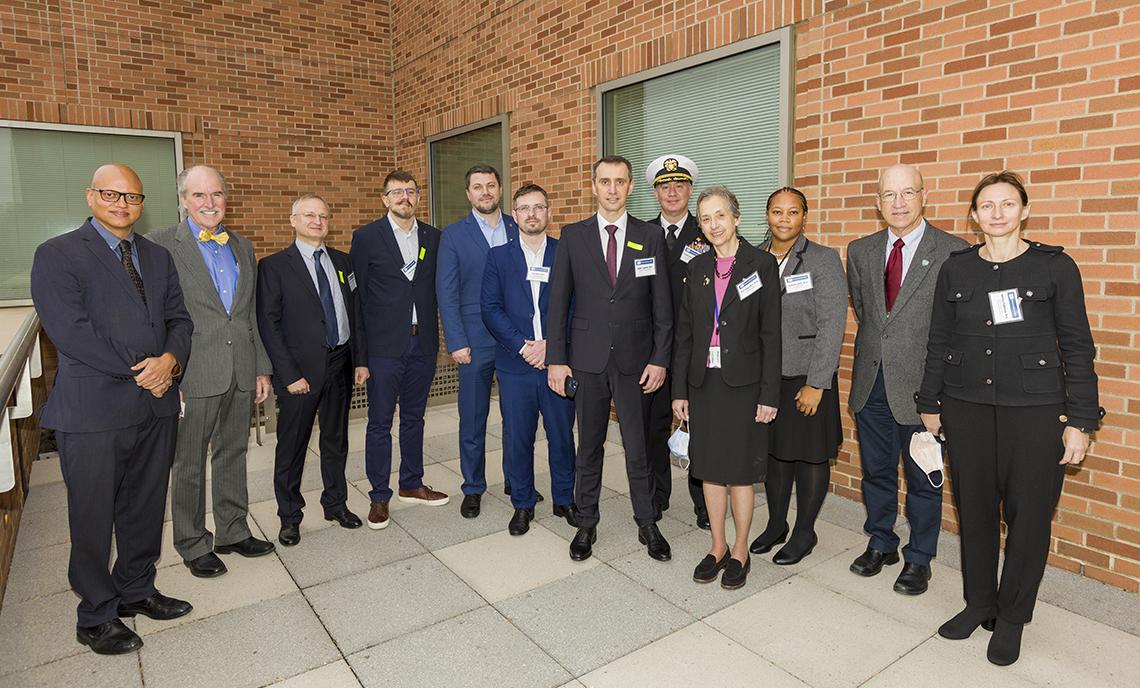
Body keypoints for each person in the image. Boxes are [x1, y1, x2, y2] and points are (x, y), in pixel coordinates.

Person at [917, 171, 1101, 666]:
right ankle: (979, 603)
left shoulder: (1055, 267)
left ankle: (1013, 615)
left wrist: (1080, 422)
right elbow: (939, 341)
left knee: (1029, 519)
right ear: (973, 216)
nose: (997, 213)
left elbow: (1078, 348)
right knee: (973, 511)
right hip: (966, 408)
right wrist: (929, 403)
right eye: (986, 205)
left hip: (1037, 415)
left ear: (1024, 211)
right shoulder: (957, 270)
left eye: (1007, 203)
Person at [31, 163, 194, 654]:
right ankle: (96, 614)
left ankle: (137, 589)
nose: (123, 204)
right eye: (111, 194)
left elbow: (179, 320)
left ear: (143, 205)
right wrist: (143, 368)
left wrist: (170, 360)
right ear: (90, 196)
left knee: (145, 507)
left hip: (156, 405)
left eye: (133, 197)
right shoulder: (57, 254)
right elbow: (71, 330)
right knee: (93, 515)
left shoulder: (158, 256)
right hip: (94, 410)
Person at [845, 164, 968, 595]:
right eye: (888, 195)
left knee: (923, 477)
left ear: (923, 196)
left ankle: (919, 558)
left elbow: (956, 328)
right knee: (876, 473)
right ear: (877, 202)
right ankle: (882, 542)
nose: (898, 203)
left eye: (907, 193)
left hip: (924, 392)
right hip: (871, 386)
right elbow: (867, 314)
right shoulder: (860, 250)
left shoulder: (954, 251)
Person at [149, 165, 276, 578]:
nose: (209, 203)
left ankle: (233, 530)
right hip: (192, 370)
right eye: (199, 195)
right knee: (188, 461)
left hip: (240, 365)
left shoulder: (242, 245)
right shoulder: (161, 245)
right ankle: (191, 541)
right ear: (183, 199)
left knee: (233, 451)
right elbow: (153, 317)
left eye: (217, 195)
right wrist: (170, 374)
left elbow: (248, 314)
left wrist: (260, 367)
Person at [546, 155, 673, 562]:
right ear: (594, 186)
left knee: (638, 446)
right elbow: (558, 302)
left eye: (620, 181)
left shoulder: (649, 236)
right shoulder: (573, 236)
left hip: (636, 361)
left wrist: (659, 359)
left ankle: (647, 521)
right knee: (590, 446)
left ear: (631, 186)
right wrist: (556, 359)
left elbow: (663, 307)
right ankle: (586, 522)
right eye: (605, 181)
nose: (613, 189)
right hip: (587, 358)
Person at [672, 185, 780, 590]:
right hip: (705, 384)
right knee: (711, 470)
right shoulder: (697, 269)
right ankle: (716, 546)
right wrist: (679, 391)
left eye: (720, 216)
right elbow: (685, 335)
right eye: (705, 218)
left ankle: (740, 549)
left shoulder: (761, 264)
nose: (713, 225)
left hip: (745, 385)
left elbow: (772, 333)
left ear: (736, 218)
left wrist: (770, 394)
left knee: (740, 472)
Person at [256, 194, 369, 546]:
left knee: (336, 441)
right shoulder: (274, 266)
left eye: (323, 215)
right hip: (299, 373)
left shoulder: (342, 261)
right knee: (293, 447)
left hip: (339, 363)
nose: (317, 221)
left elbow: (355, 314)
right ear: (293, 220)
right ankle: (289, 516)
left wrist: (360, 360)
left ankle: (335, 504)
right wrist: (288, 375)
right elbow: (268, 325)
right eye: (309, 215)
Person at [751, 187, 847, 565]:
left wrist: (817, 383)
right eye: (777, 211)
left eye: (793, 212)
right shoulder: (753, 257)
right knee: (775, 455)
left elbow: (832, 325)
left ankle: (805, 531)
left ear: (804, 216)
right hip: (767, 379)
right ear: (767, 215)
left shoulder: (822, 259)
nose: (784, 219)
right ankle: (776, 524)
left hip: (807, 377)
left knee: (809, 457)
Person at [351, 170, 449, 531]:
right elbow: (357, 301)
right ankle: (379, 495)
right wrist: (360, 358)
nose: (404, 197)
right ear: (384, 198)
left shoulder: (434, 237)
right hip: (383, 348)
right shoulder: (366, 237)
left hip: (421, 343)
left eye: (410, 191)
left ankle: (411, 482)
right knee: (379, 423)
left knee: (414, 418)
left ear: (418, 197)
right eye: (396, 192)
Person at [481, 183, 578, 534]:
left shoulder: (565, 252)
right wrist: (524, 347)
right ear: (515, 215)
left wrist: (552, 348)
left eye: (538, 207)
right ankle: (522, 503)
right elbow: (490, 309)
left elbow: (576, 307)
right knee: (518, 437)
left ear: (549, 212)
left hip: (558, 364)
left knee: (562, 436)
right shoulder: (498, 257)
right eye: (524, 208)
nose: (532, 214)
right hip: (515, 365)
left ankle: (564, 499)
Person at [437, 165, 523, 518]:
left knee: (515, 417)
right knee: (473, 418)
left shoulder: (519, 228)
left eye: (490, 185)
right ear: (468, 194)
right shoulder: (454, 235)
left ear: (500, 190)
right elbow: (447, 291)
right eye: (477, 187)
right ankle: (473, 486)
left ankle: (516, 480)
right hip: (473, 341)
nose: (485, 192)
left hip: (515, 341)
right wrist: (456, 340)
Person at [644, 154, 709, 530]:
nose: (672, 192)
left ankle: (704, 503)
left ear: (690, 190)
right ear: (655, 192)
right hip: (653, 351)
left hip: (697, 352)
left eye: (680, 185)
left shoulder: (708, 233)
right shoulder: (641, 235)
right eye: (665, 187)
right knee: (653, 427)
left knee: (700, 426)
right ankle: (656, 496)